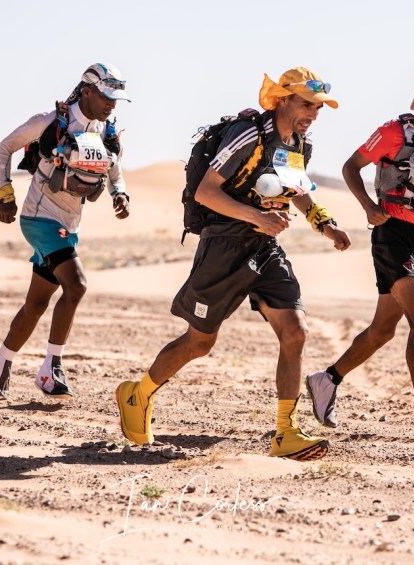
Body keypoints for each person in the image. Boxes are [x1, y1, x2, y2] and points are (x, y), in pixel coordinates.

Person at [116, 67, 351, 462]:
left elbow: (296, 189)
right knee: (200, 342)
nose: (313, 113)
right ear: (283, 99)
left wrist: (323, 222)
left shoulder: (299, 144)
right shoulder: (247, 134)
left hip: (264, 246)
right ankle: (137, 395)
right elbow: (206, 192)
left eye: (318, 107)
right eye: (307, 104)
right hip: (224, 244)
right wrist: (256, 216)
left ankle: (285, 433)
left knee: (295, 331)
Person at [305, 67, 414, 440]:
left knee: (383, 330)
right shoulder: (392, 131)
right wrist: (369, 207)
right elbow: (351, 167)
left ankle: (326, 379)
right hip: (391, 235)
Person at [0, 63, 131, 400]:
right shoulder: (50, 121)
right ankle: (51, 368)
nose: (111, 104)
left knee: (36, 303)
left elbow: (115, 169)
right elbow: (4, 147)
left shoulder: (107, 131)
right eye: (106, 96)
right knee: (77, 285)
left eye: (116, 99)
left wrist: (120, 193)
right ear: (87, 91)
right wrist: (4, 193)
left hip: (69, 225)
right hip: (39, 219)